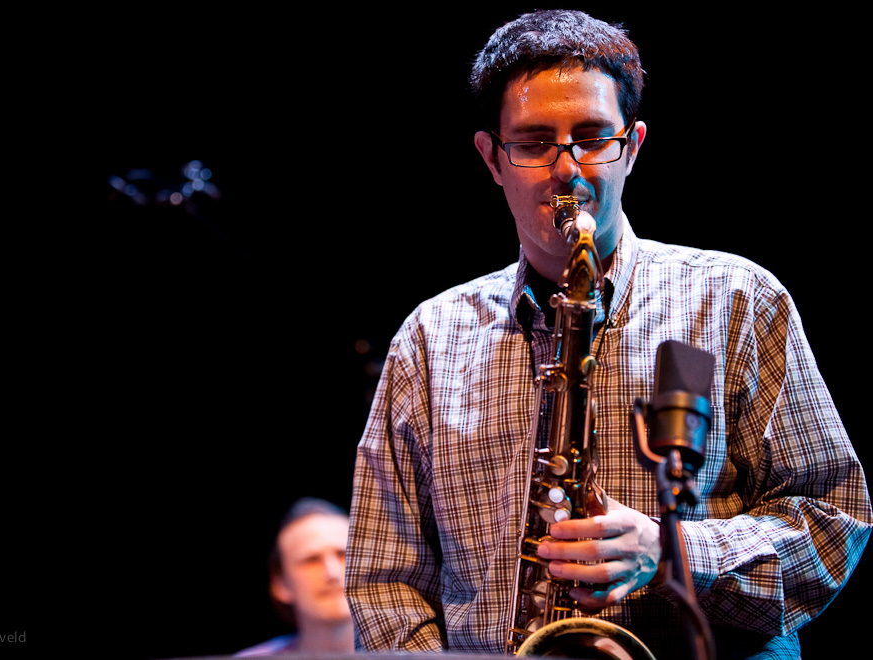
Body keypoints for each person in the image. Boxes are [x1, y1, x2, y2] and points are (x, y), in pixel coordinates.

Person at [345, 9, 871, 660]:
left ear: (633, 145)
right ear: (492, 158)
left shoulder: (737, 299)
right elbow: (385, 582)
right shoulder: (428, 338)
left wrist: (673, 552)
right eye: (535, 143)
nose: (568, 170)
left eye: (592, 137)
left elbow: (833, 525)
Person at [236, 498, 354, 656]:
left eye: (342, 555)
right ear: (280, 584)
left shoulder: (399, 653)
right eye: (311, 560)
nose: (332, 573)